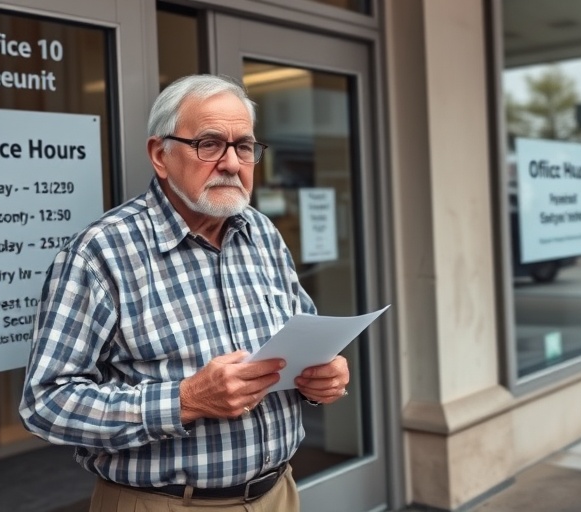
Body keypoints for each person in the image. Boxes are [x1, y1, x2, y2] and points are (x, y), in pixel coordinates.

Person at [19, 74, 350, 512]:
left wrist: (321, 377)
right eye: (209, 144)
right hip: (163, 504)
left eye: (244, 146)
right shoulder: (101, 254)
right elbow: (46, 403)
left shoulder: (262, 232)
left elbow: (303, 336)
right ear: (161, 155)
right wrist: (185, 400)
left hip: (279, 494)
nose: (232, 163)